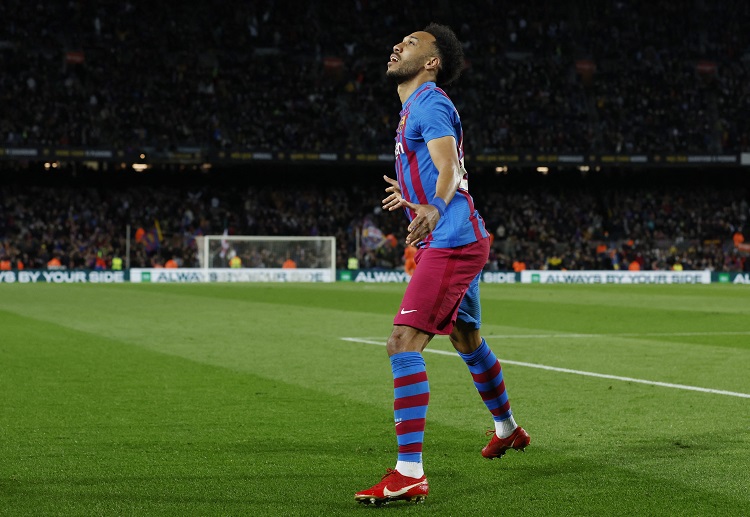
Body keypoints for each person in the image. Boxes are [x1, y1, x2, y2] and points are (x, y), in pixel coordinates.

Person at [355, 24, 530, 506]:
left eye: (412, 43)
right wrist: (414, 193)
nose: (398, 45)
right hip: (458, 236)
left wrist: (433, 206)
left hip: (452, 240)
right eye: (400, 40)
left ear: (432, 62)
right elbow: (442, 168)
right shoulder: (412, 108)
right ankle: (508, 429)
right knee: (466, 338)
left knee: (402, 341)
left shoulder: (430, 103)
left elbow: (450, 167)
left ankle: (409, 473)